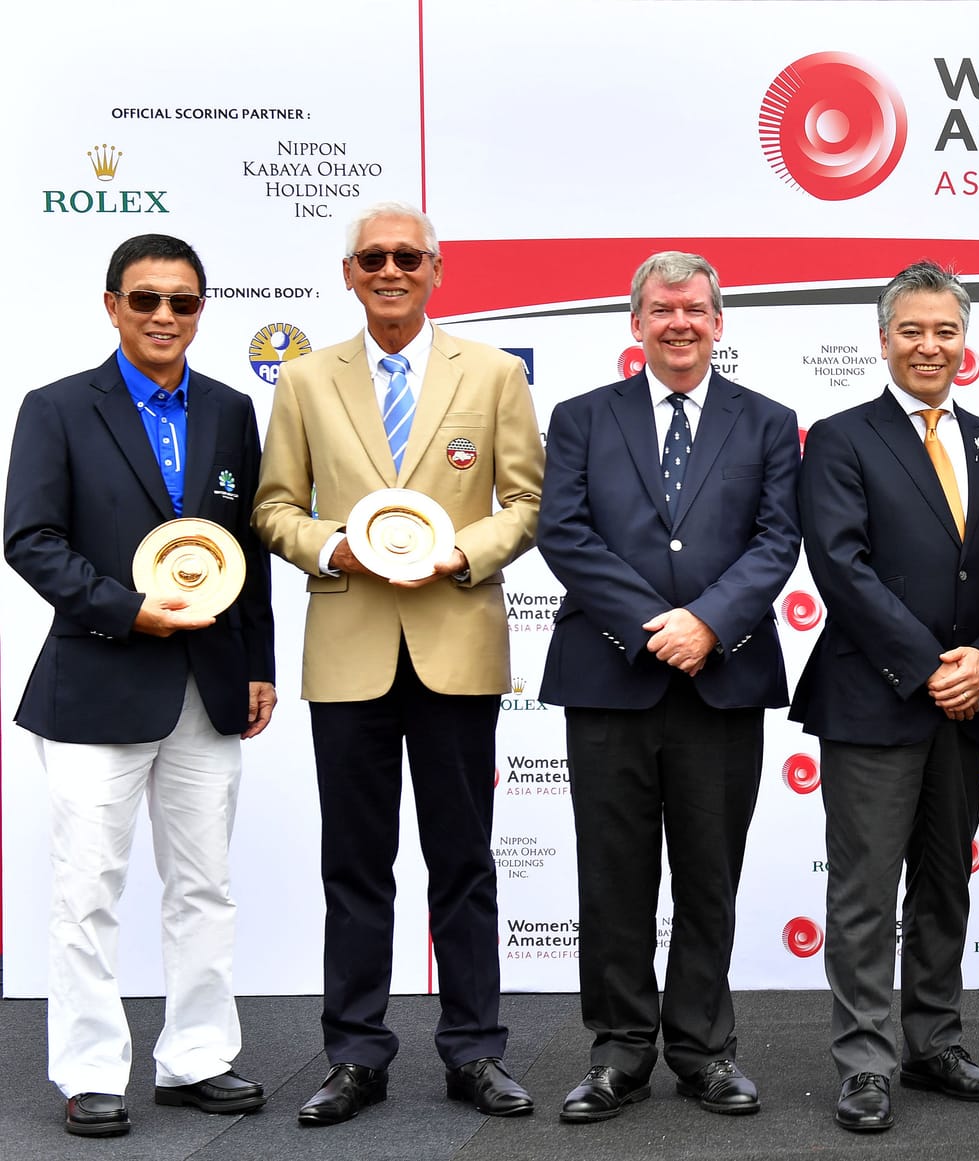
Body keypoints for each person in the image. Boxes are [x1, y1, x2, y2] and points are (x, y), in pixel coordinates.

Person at [252, 202, 544, 1125]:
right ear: (348, 273)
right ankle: (354, 1055)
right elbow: (273, 507)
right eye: (372, 257)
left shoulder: (494, 372)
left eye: (407, 257)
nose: (390, 270)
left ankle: (475, 1050)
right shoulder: (305, 379)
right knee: (355, 863)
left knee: (463, 861)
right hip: (350, 650)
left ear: (436, 270)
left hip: (456, 644)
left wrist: (460, 553)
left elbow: (525, 501)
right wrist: (335, 546)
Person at [4, 233, 275, 1138]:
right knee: (88, 890)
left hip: (210, 683)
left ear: (200, 310)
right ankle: (89, 1071)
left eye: (183, 301)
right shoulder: (55, 407)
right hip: (97, 681)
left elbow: (245, 553)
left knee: (205, 884)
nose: (165, 316)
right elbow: (31, 539)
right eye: (147, 299)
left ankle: (197, 1057)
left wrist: (260, 663)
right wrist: (128, 610)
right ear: (113, 304)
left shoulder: (232, 408)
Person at [537, 251, 799, 1124]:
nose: (678, 322)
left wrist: (709, 624)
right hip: (610, 677)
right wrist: (658, 625)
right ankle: (618, 1053)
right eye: (662, 308)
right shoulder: (582, 417)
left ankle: (703, 1050)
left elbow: (777, 540)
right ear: (636, 323)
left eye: (694, 309)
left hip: (722, 679)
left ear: (719, 323)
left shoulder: (768, 422)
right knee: (612, 877)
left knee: (709, 876)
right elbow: (565, 532)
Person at [793, 261, 979, 1132]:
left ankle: (934, 1043)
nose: (929, 346)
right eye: (912, 330)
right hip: (875, 697)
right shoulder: (840, 438)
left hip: (970, 700)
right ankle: (866, 1058)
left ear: (965, 342)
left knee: (944, 881)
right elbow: (841, 566)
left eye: (945, 331)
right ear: (884, 338)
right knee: (864, 889)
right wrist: (933, 665)